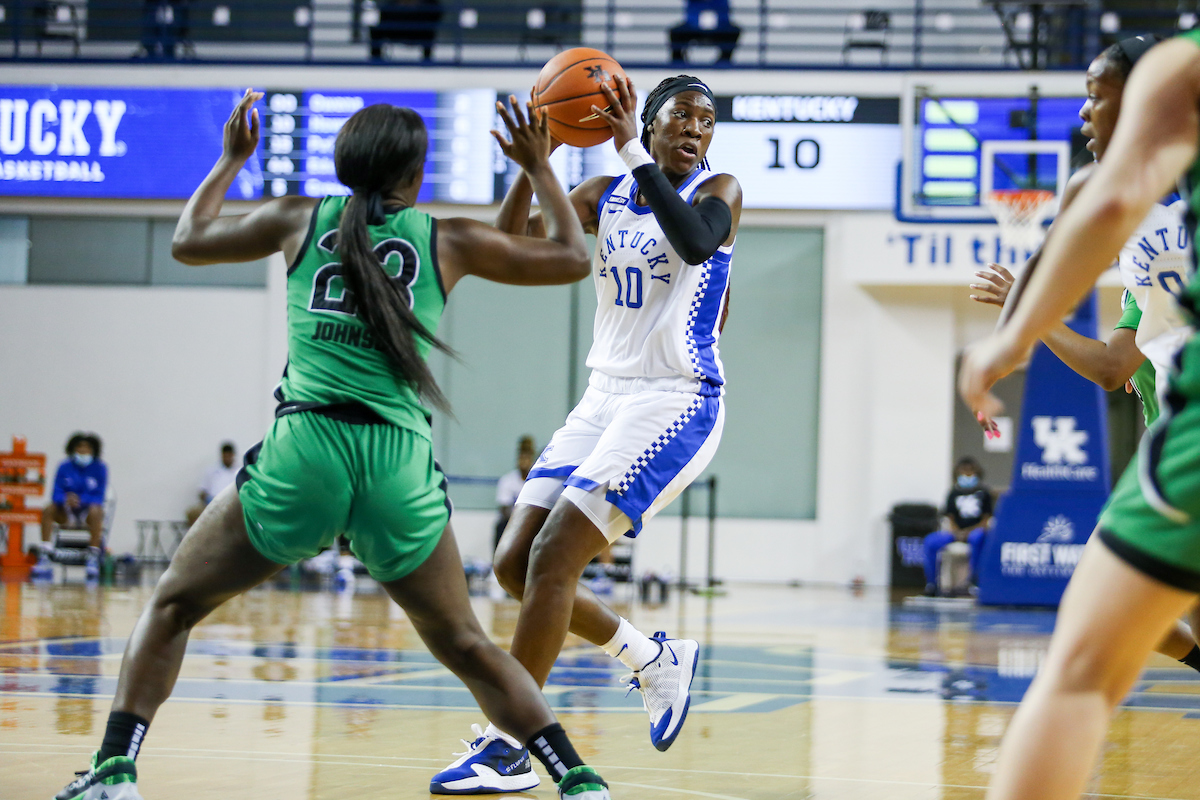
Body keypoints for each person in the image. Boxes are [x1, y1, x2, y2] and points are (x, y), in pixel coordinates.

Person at [54, 89, 612, 800]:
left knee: (172, 607)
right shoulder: (445, 237)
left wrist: (230, 161)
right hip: (396, 467)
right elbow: (569, 256)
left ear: (344, 163)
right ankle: (578, 779)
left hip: (305, 452)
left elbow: (187, 240)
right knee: (467, 645)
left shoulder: (297, 216)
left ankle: (113, 772)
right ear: (414, 175)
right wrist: (537, 167)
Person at [431, 74, 741, 793]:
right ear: (645, 119)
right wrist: (531, 165)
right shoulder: (603, 195)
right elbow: (505, 247)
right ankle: (651, 658)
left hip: (676, 397)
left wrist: (632, 146)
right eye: (681, 117)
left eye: (706, 120)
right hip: (603, 395)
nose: (696, 130)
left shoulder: (718, 190)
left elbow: (695, 245)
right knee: (514, 564)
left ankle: (508, 745)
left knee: (556, 555)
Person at [959, 33, 1200, 800]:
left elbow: (1100, 199)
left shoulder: (1163, 120)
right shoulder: (1144, 272)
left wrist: (1015, 332)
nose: (1085, 111)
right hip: (1173, 433)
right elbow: (1111, 368)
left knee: (1079, 669)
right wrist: (1027, 324)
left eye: (1098, 92)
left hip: (1189, 444)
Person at [35, 432, 108, 580]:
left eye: (87, 448)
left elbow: (99, 496)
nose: (83, 451)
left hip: (87, 512)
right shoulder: (64, 466)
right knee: (49, 509)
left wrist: (81, 499)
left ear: (94, 450)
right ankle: (45, 554)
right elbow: (56, 492)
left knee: (97, 510)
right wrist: (65, 499)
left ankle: (93, 555)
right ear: (72, 449)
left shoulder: (100, 468)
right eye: (79, 447)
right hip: (66, 511)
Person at [923, 457, 992, 596]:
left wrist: (969, 531)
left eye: (970, 472)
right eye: (963, 472)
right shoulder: (953, 493)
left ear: (976, 473)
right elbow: (950, 517)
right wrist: (957, 532)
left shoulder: (984, 493)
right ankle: (932, 584)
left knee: (977, 538)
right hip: (956, 533)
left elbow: (986, 519)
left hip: (975, 532)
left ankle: (974, 582)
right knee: (930, 541)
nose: (966, 475)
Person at [495, 436, 536, 551]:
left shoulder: (536, 481)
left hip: (531, 522)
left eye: (527, 458)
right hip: (511, 523)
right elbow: (504, 509)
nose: (523, 461)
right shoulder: (507, 480)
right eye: (521, 457)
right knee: (501, 525)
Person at [185, 441, 238, 527]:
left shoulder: (238, 472)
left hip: (233, 506)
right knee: (193, 513)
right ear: (222, 455)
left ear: (233, 456)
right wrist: (209, 500)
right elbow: (202, 492)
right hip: (213, 504)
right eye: (225, 456)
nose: (227, 458)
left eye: (229, 456)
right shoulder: (211, 471)